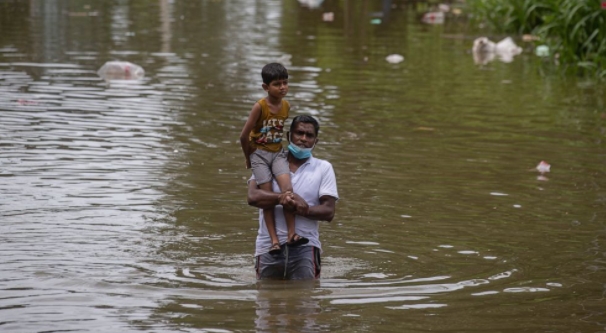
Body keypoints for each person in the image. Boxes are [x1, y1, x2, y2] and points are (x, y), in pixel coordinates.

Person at [247, 115, 339, 280]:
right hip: (268, 246)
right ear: (289, 135)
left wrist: (303, 209)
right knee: (266, 301)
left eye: (309, 135)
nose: (303, 139)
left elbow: (329, 211)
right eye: (299, 133)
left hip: (305, 246)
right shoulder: (267, 162)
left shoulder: (323, 168)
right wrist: (284, 198)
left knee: (305, 301)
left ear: (315, 141)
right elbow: (253, 197)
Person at [240, 63, 308, 255]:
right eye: (277, 84)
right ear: (266, 87)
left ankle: (291, 235)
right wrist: (248, 158)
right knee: (267, 198)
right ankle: (274, 241)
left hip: (277, 153)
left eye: (285, 83)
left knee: (288, 191)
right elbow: (243, 136)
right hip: (259, 154)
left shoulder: (286, 105)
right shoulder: (259, 107)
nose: (282, 87)